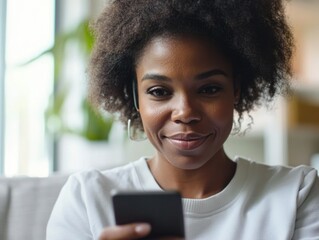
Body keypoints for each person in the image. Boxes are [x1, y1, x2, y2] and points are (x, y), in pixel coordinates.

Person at [46, 0, 319, 239]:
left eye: (209, 89)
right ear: (134, 96)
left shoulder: (297, 195)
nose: (185, 112)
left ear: (236, 90)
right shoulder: (87, 200)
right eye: (159, 92)